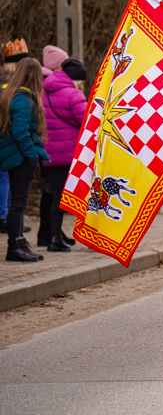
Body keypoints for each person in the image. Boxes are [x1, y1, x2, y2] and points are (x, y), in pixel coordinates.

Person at [0, 58, 50, 263]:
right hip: (21, 157)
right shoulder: (23, 99)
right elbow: (21, 132)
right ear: (34, 75)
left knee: (17, 203)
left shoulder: (11, 95)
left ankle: (19, 243)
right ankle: (15, 245)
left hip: (15, 155)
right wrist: (31, 156)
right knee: (18, 204)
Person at [37, 59, 87, 251]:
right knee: (64, 198)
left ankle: (52, 235)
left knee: (54, 195)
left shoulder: (43, 91)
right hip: (68, 154)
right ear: (75, 79)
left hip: (49, 155)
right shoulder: (74, 95)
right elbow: (86, 121)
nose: (82, 84)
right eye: (81, 81)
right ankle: (56, 239)